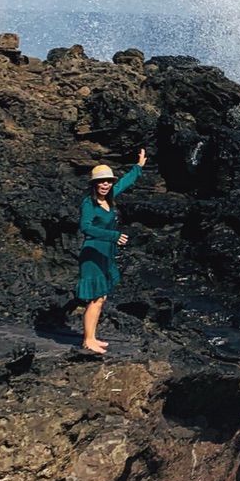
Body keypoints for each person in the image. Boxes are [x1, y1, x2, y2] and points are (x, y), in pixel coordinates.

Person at [76, 149, 146, 353]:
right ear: (94, 184)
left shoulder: (111, 196)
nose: (105, 185)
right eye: (101, 181)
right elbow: (85, 227)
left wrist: (138, 167)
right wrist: (113, 236)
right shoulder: (89, 203)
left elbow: (125, 182)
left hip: (105, 254)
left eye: (108, 181)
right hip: (92, 254)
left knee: (101, 297)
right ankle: (88, 339)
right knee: (96, 298)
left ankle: (92, 337)